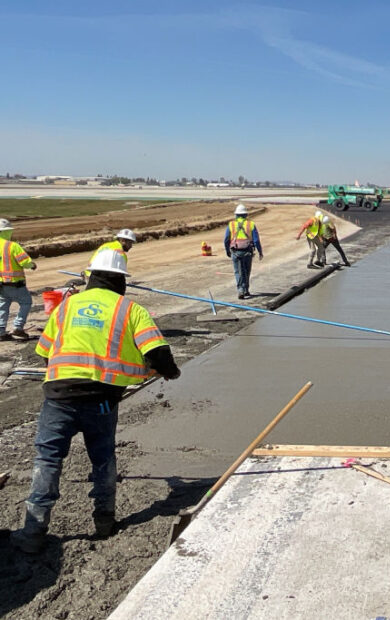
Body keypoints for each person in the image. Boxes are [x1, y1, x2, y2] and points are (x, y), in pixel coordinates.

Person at [10, 249, 181, 554]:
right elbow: (158, 354)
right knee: (102, 458)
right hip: (101, 400)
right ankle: (105, 522)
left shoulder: (67, 306)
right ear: (120, 280)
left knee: (48, 458)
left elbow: (44, 352)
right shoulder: (130, 309)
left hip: (59, 396)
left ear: (90, 277)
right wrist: (170, 372)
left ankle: (33, 532)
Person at [0, 217, 37, 341]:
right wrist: (32, 265)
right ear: (6, 232)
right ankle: (18, 327)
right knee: (26, 302)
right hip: (14, 284)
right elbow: (25, 262)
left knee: (2, 306)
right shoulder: (12, 246)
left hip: (1, 285)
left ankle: (1, 332)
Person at [223, 204, 263, 299]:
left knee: (238, 271)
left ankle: (240, 290)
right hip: (247, 251)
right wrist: (260, 251)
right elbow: (256, 240)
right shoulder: (251, 224)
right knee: (246, 271)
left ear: (236, 215)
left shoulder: (231, 224)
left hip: (235, 251)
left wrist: (227, 251)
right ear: (246, 215)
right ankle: (246, 290)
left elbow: (226, 239)